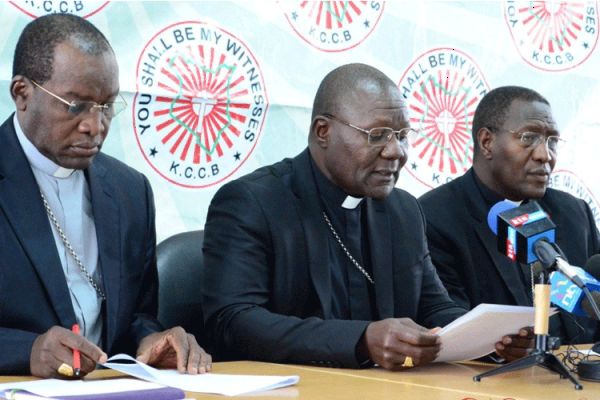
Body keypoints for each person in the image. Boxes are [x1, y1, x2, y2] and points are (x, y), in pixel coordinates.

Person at [202, 64, 532, 370]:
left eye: (402, 135)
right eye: (377, 135)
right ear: (323, 132)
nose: (396, 152)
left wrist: (489, 340)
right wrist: (360, 340)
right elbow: (232, 321)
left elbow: (433, 308)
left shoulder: (402, 211)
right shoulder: (253, 201)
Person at [0, 13, 211, 378]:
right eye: (75, 105)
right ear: (22, 93)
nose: (95, 126)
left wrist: (152, 339)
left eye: (106, 106)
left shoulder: (130, 191)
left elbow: (134, 318)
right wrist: (27, 351)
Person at [419, 86, 600, 344]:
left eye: (552, 141)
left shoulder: (574, 213)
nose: (545, 155)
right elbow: (446, 318)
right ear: (486, 142)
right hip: (491, 377)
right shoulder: (435, 217)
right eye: (529, 138)